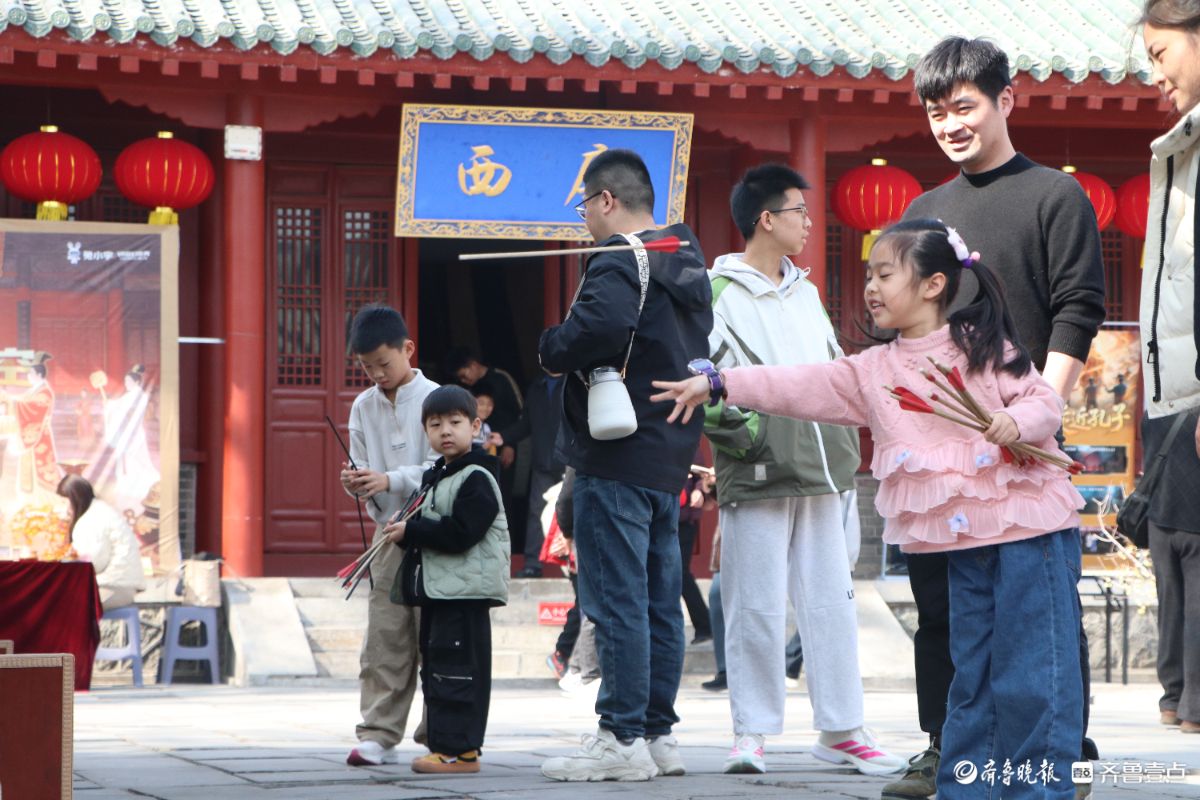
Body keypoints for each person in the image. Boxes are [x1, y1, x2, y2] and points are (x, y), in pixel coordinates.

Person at [655, 219, 1086, 798]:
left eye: (885, 275)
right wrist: (720, 384)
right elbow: (796, 384)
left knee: (1033, 672)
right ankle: (967, 787)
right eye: (869, 276)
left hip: (1029, 531)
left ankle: (1041, 790)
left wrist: (1017, 420)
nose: (871, 288)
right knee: (971, 674)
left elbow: (1043, 402)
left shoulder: (983, 343)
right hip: (964, 543)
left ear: (933, 284)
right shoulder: (873, 370)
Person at [891, 36, 1106, 797]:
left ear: (1005, 100)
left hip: (1024, 442)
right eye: (935, 113)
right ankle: (944, 744)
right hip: (941, 448)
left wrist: (1038, 417)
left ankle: (1065, 751)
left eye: (964, 107)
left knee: (1039, 609)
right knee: (940, 605)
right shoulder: (922, 213)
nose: (950, 125)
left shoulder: (1055, 196)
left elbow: (1078, 308)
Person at [699, 163, 901, 776]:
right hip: (759, 468)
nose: (809, 224)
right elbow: (705, 381)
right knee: (754, 604)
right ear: (766, 219)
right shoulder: (716, 292)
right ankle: (751, 732)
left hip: (825, 466)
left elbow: (835, 370)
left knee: (832, 603)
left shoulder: (807, 292)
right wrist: (750, 438)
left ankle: (842, 729)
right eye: (799, 213)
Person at [538, 148, 713, 782]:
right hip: (668, 455)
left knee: (616, 600)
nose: (584, 217)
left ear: (607, 200)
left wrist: (551, 345)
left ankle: (620, 736)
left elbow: (593, 332)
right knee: (659, 600)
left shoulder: (617, 258)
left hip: (615, 452)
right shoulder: (685, 260)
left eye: (585, 205)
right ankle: (657, 734)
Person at [383, 385, 510, 773]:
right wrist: (406, 528)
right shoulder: (438, 475)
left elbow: (462, 533)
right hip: (442, 591)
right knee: (437, 667)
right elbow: (429, 528)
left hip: (464, 594)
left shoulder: (477, 476)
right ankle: (444, 747)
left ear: (476, 426)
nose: (445, 431)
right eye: (435, 425)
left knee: (457, 669)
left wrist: (414, 531)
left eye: (455, 422)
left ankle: (460, 752)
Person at [340, 303, 438, 767]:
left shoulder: (438, 399)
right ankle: (378, 732)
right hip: (387, 535)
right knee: (384, 636)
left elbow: (444, 468)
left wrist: (389, 479)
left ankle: (440, 732)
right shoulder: (363, 406)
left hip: (435, 532)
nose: (377, 374)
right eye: (367, 367)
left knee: (435, 637)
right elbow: (362, 466)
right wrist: (357, 482)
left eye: (384, 363)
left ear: (408, 349)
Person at [1139, 0, 1200, 736]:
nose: (1154, 76)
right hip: (1172, 391)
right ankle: (1181, 694)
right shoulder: (1183, 143)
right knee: (1172, 543)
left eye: (1160, 55)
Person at [490, 373, 567, 577]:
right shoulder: (537, 387)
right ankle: (533, 564)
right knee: (536, 513)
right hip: (543, 462)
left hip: (572, 462)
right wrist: (504, 437)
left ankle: (577, 565)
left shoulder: (575, 380)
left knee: (575, 512)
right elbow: (526, 424)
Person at [58, 474, 146, 610]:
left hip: (114, 585)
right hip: (117, 583)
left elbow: (93, 563)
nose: (64, 509)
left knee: (63, 605)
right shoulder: (97, 511)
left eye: (65, 502)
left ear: (75, 498)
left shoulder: (92, 519)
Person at [444, 348, 524, 433]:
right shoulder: (467, 389)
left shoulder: (501, 378)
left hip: (511, 434)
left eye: (463, 376)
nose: (462, 381)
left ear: (473, 365)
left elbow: (520, 409)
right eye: (459, 378)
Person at [677, 462, 712, 645]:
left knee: (680, 574)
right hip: (662, 517)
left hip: (685, 519)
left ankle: (704, 625)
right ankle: (704, 625)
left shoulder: (691, 445)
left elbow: (701, 473)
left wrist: (698, 489)